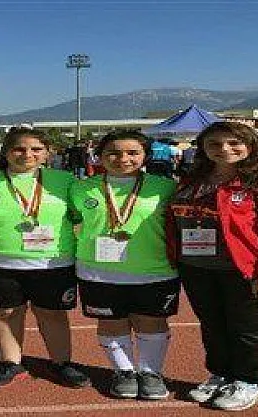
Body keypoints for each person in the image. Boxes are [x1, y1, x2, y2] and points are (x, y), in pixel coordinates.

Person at [167, 121, 258, 411]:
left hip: (243, 268)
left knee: (247, 329)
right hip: (196, 267)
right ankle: (221, 374)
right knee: (212, 325)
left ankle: (249, 381)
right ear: (202, 148)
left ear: (250, 146)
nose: (224, 149)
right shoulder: (191, 180)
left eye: (234, 143)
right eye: (214, 144)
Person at [0, 127, 90, 389]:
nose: (27, 154)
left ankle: (61, 363)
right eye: (19, 149)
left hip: (52, 261)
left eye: (36, 149)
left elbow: (84, 214)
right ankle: (10, 363)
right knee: (5, 312)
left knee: (52, 313)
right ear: (6, 152)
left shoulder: (66, 181)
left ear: (48, 153)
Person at [70, 130, 179, 400]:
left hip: (154, 270)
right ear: (100, 156)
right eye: (113, 153)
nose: (123, 159)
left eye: (133, 153)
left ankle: (151, 372)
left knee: (152, 322)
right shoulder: (80, 188)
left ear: (145, 156)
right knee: (111, 322)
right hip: (98, 271)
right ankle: (124, 372)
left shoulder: (166, 187)